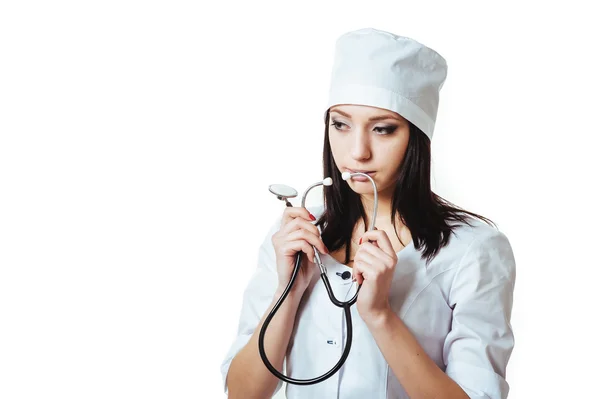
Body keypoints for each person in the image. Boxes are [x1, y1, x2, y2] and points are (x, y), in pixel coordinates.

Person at [220, 27, 516, 399]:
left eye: (383, 129)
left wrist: (379, 315)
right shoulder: (298, 235)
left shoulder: (473, 250)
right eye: (340, 124)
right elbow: (243, 394)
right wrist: (289, 290)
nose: (357, 151)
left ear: (416, 137)